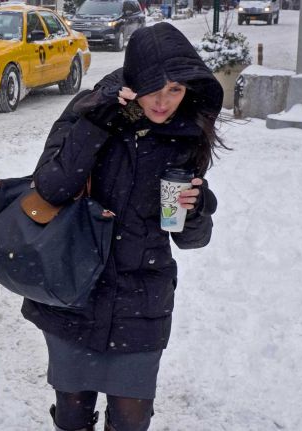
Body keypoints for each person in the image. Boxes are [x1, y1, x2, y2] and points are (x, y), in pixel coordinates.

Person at [23, 22, 225, 431]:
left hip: (142, 297)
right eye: (155, 88)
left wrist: (197, 207)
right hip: (76, 288)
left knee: (132, 419)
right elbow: (50, 187)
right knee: (72, 413)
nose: (164, 102)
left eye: (176, 89)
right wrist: (99, 123)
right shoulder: (89, 110)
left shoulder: (186, 133)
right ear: (135, 80)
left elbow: (189, 239)